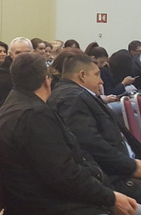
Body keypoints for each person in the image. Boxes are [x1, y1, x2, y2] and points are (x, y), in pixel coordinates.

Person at [0, 52, 141, 215]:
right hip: (50, 209)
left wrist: (106, 192)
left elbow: (72, 162)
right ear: (46, 80)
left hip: (56, 200)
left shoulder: (22, 105)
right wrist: (110, 197)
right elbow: (64, 176)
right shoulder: (34, 114)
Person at [48, 54, 141, 200]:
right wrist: (132, 166)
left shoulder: (77, 95)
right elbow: (91, 145)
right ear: (82, 75)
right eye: (97, 75)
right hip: (116, 179)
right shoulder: (72, 98)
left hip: (125, 167)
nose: (101, 81)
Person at [0, 37, 33, 115]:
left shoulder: (39, 72)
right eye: (18, 53)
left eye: (28, 52)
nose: (23, 56)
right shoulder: (4, 78)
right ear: (11, 55)